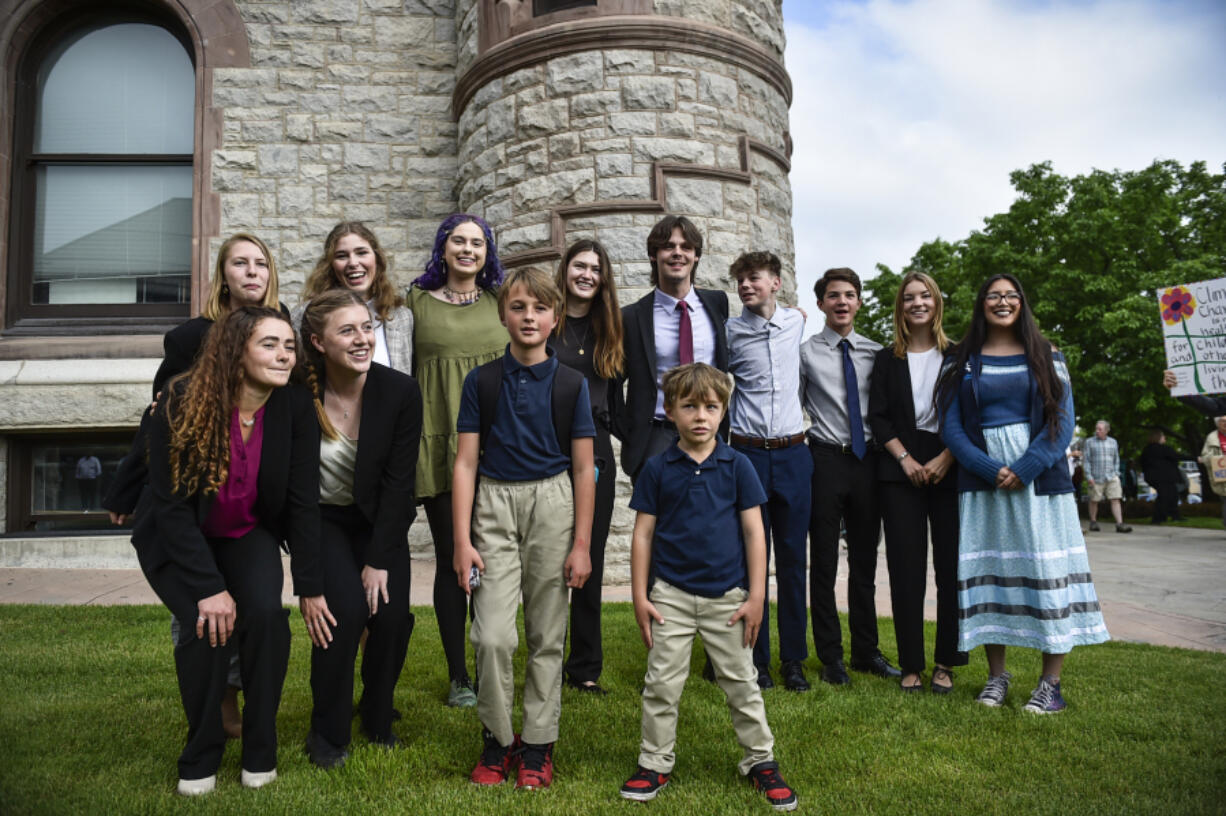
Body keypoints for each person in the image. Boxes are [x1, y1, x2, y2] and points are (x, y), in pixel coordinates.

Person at [130, 306, 325, 794]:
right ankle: (202, 751)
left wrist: (311, 585)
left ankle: (261, 745)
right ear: (236, 351)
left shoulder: (295, 406)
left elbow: (302, 503)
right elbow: (171, 509)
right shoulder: (181, 401)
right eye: (269, 344)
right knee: (205, 626)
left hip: (246, 532)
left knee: (264, 617)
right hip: (178, 540)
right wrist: (209, 588)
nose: (285, 354)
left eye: (288, 345)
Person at [104, 232, 286, 739]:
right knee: (202, 602)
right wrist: (125, 487)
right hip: (191, 491)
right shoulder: (190, 338)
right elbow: (160, 419)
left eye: (261, 264)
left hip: (245, 495)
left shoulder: (280, 326)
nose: (253, 273)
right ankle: (218, 703)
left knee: (256, 602)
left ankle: (248, 697)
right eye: (240, 264)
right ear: (222, 277)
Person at [618, 363, 798, 812]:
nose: (701, 416)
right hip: (671, 598)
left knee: (742, 682)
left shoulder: (738, 466)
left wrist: (757, 596)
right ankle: (654, 762)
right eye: (690, 406)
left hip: (729, 599)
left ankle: (761, 761)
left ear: (723, 412)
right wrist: (640, 597)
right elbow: (642, 535)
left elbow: (756, 534)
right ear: (671, 411)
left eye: (711, 407)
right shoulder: (658, 469)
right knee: (661, 684)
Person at [937, 274, 1110, 713]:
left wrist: (1027, 467)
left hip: (1041, 482)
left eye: (1011, 295)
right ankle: (997, 677)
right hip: (984, 483)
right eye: (993, 295)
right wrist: (988, 467)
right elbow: (952, 425)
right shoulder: (962, 359)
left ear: (1022, 304)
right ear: (981, 304)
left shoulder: (1047, 355)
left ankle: (1050, 685)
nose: (1002, 301)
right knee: (992, 574)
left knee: (1047, 576)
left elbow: (1063, 420)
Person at [452, 267, 595, 790]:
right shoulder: (481, 381)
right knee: (490, 634)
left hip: (552, 502)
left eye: (538, 308)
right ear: (503, 315)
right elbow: (465, 463)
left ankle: (537, 743)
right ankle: (497, 736)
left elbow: (584, 468)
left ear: (555, 318)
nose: (528, 316)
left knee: (546, 632)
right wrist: (461, 539)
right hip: (493, 502)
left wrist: (581, 543)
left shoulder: (571, 383)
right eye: (518, 307)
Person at [298, 290, 423, 768]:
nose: (362, 338)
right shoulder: (297, 395)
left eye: (367, 327)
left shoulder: (399, 391)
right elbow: (296, 496)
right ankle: (326, 733)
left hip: (379, 521)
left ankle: (377, 715)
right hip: (322, 519)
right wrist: (309, 584)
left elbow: (398, 485)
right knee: (343, 614)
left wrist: (377, 560)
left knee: (391, 617)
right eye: (347, 330)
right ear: (318, 342)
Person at [408, 213, 507, 707]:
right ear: (442, 249)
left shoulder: (500, 303)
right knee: (454, 558)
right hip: (439, 443)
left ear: (488, 253)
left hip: (498, 446)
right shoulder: (415, 303)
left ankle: (492, 661)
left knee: (492, 560)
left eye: (478, 243)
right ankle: (458, 674)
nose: (467, 250)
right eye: (458, 241)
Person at [868, 271, 967, 694]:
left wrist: (947, 456)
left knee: (950, 569)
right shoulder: (887, 358)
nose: (918, 303)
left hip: (949, 466)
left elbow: (969, 414)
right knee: (906, 570)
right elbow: (878, 417)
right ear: (901, 307)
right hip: (899, 471)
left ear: (937, 302)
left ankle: (945, 662)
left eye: (925, 295)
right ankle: (911, 663)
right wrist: (906, 459)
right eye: (909, 297)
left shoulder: (960, 355)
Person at [799, 268, 900, 686]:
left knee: (864, 562)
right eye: (834, 295)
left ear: (859, 303)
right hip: (824, 459)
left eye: (851, 295)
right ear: (821, 302)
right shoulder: (804, 353)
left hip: (868, 463)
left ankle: (865, 651)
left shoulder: (878, 354)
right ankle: (831, 657)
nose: (842, 302)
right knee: (822, 562)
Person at [725, 251, 811, 692]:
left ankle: (794, 660)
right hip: (748, 456)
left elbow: (801, 314)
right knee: (750, 564)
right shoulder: (730, 333)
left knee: (794, 562)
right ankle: (755, 662)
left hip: (795, 455)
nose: (745, 286)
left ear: (776, 283)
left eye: (753, 278)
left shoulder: (796, 323)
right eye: (740, 280)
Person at [550, 239, 624, 694]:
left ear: (603, 278)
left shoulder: (610, 330)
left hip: (596, 453)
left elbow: (617, 401)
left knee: (588, 559)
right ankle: (546, 656)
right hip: (548, 448)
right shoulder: (546, 321)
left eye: (595, 268)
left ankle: (585, 667)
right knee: (549, 563)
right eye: (579, 265)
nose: (586, 274)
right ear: (566, 270)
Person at [619, 214, 729, 482]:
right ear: (654, 255)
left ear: (696, 256)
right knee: (656, 522)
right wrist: (630, 431)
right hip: (656, 437)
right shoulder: (631, 317)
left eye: (686, 247)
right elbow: (611, 383)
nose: (677, 253)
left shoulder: (718, 303)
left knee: (711, 519)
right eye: (668, 246)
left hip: (710, 435)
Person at [295, 221, 413, 373]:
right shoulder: (306, 315)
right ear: (330, 265)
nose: (353, 263)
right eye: (342, 256)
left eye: (362, 252)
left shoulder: (401, 316)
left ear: (376, 258)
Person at [1082, 420, 1133, 533]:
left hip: (1111, 476)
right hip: (1096, 476)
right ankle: (1093, 522)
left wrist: (1116, 473)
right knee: (1094, 500)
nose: (1097, 431)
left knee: (1115, 499)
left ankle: (1120, 524)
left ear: (1106, 430)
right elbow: (1086, 460)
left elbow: (1116, 459)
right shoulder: (1089, 442)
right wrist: (1089, 476)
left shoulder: (1113, 442)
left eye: (1100, 429)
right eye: (1096, 428)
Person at [1139, 430, 1185, 524]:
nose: (1164, 438)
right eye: (1163, 437)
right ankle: (1159, 518)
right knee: (1166, 496)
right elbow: (1176, 456)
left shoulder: (1147, 450)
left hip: (1154, 477)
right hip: (1164, 478)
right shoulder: (1164, 449)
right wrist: (1195, 458)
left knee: (1170, 495)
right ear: (1158, 438)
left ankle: (1170, 516)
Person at [1198, 416, 1226, 529]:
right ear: (1217, 423)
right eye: (1223, 421)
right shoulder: (1212, 438)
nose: (1225, 423)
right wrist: (1220, 458)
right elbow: (1205, 457)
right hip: (1222, 475)